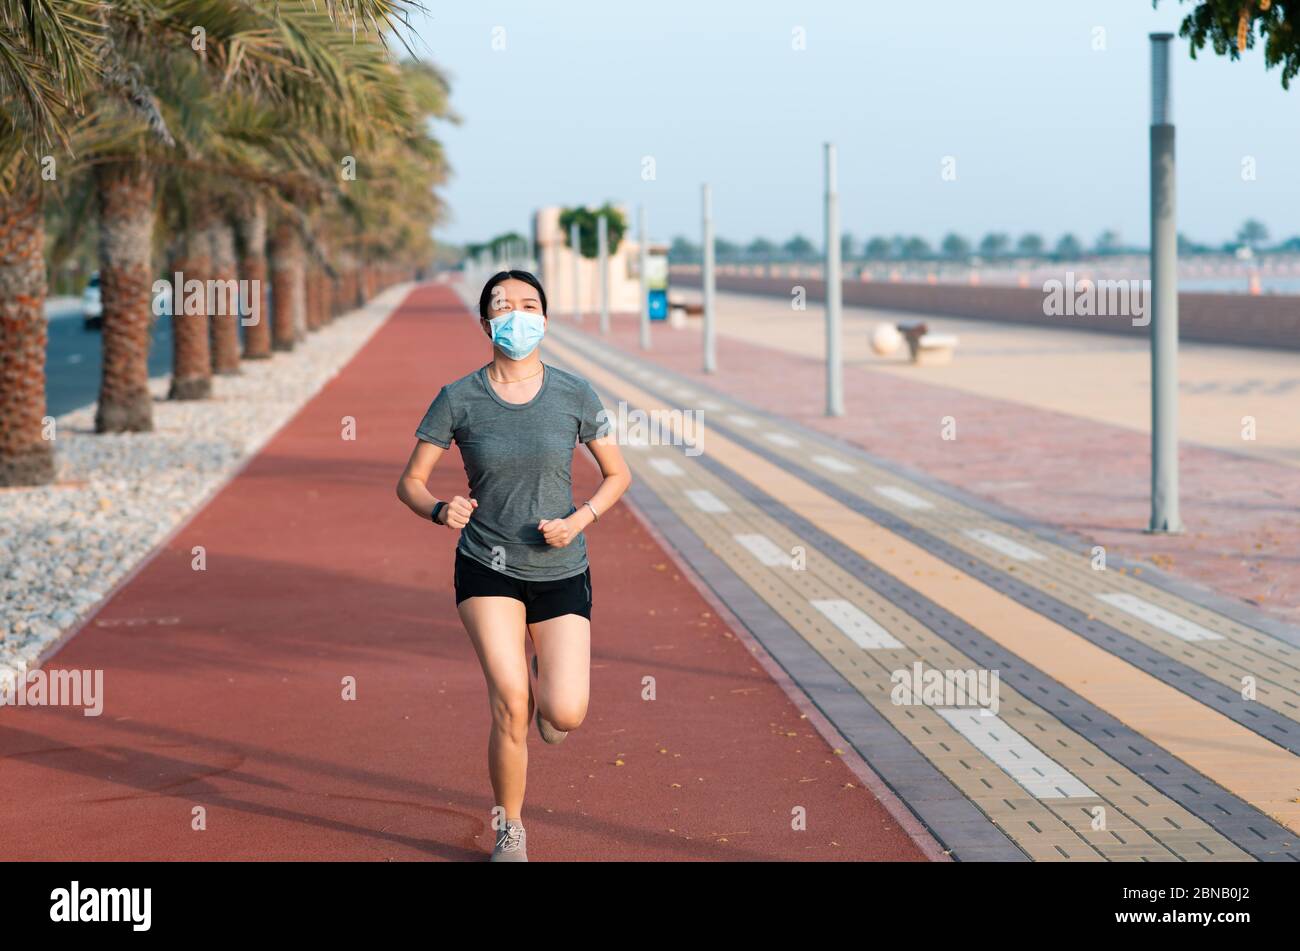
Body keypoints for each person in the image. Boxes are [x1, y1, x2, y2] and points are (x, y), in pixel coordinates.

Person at [396, 269, 631, 862]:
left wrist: (579, 520)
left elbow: (617, 474)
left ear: (545, 320)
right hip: (486, 567)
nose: (517, 315)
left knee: (563, 711)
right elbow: (411, 482)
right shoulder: (458, 398)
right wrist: (439, 509)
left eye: (529, 305)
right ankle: (512, 830)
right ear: (485, 323)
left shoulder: (576, 393)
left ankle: (550, 689)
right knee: (510, 701)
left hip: (561, 568)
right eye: (504, 307)